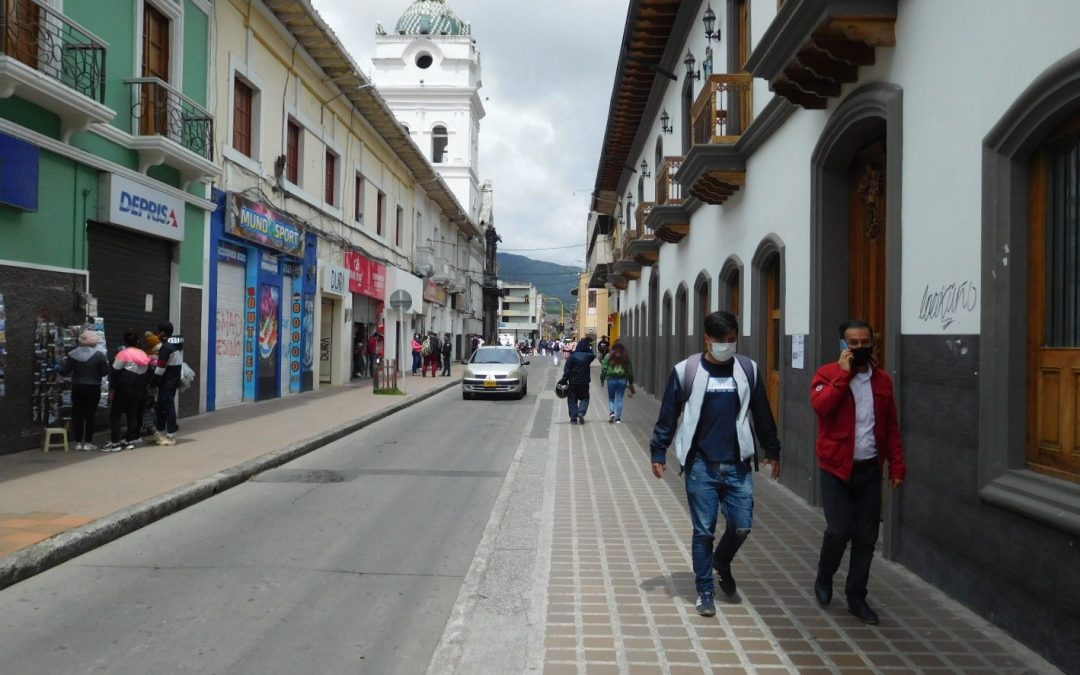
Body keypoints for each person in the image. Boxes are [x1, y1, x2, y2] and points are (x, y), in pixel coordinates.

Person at [649, 311, 781, 618]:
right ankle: (705, 589)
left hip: (737, 465)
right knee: (703, 531)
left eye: (732, 340)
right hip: (700, 465)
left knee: (742, 525)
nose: (726, 345)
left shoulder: (748, 370)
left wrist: (772, 450)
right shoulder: (687, 370)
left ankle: (722, 561)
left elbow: (762, 412)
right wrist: (659, 451)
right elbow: (669, 414)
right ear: (707, 339)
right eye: (720, 340)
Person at [810, 319, 905, 626]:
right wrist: (842, 374)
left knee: (866, 538)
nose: (860, 348)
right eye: (853, 343)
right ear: (842, 345)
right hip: (836, 468)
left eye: (865, 343)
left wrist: (897, 465)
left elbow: (891, 426)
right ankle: (824, 578)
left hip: (868, 468)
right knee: (839, 531)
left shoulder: (883, 382)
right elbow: (821, 407)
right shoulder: (826, 374)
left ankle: (856, 596)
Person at [59, 329, 109, 451]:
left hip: (77, 387)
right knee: (90, 415)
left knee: (78, 414)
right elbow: (104, 373)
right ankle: (88, 442)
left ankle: (77, 442)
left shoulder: (72, 355)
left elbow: (65, 371)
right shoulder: (99, 356)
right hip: (93, 388)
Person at [104, 330, 150, 451]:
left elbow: (115, 370)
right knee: (132, 414)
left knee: (116, 414)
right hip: (139, 389)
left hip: (124, 389)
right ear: (137, 341)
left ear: (125, 341)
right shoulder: (143, 354)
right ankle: (129, 441)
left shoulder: (123, 353)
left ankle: (115, 443)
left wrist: (112, 388)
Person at [150, 321, 184, 446]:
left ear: (163, 333)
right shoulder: (175, 345)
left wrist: (152, 382)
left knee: (168, 408)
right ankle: (159, 433)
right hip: (172, 380)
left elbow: (160, 369)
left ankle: (171, 436)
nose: (157, 334)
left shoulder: (166, 347)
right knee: (160, 407)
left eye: (158, 332)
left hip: (167, 382)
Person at [561, 337, 595, 424]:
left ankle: (573, 419)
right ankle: (581, 412)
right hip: (584, 383)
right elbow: (593, 355)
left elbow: (567, 369)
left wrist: (564, 380)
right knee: (585, 398)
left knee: (572, 400)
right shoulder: (588, 356)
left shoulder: (572, 356)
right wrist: (588, 348)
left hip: (573, 382)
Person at [601, 341, 634, 424]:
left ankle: (612, 413)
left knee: (611, 398)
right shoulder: (625, 357)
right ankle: (618, 419)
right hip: (622, 380)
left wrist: (602, 379)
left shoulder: (608, 356)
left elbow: (604, 368)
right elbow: (630, 371)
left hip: (611, 379)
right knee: (620, 399)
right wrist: (630, 382)